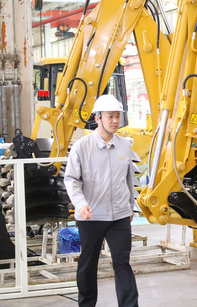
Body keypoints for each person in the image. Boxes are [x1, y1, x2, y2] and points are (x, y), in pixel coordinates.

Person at [64, 94, 139, 307]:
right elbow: (71, 179)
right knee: (88, 264)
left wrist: (130, 205)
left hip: (120, 217)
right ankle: (86, 304)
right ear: (97, 118)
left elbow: (128, 178)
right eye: (110, 116)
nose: (115, 121)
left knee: (122, 263)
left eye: (117, 116)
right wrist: (81, 204)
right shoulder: (82, 147)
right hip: (92, 216)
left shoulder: (125, 145)